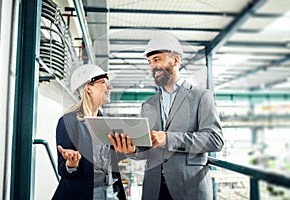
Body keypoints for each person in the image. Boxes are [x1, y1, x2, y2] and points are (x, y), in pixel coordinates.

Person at [110, 33, 224, 200]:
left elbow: (215, 140)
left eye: (157, 59)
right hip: (154, 189)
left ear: (176, 61)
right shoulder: (148, 105)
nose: (152, 67)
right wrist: (132, 151)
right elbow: (146, 150)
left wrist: (169, 139)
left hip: (189, 187)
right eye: (149, 62)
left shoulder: (201, 96)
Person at [52, 64, 127, 200]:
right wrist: (72, 164)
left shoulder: (106, 122)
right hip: (85, 194)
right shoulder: (68, 122)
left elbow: (109, 160)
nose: (110, 87)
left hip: (111, 192)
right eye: (103, 82)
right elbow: (63, 169)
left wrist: (125, 150)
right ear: (88, 88)